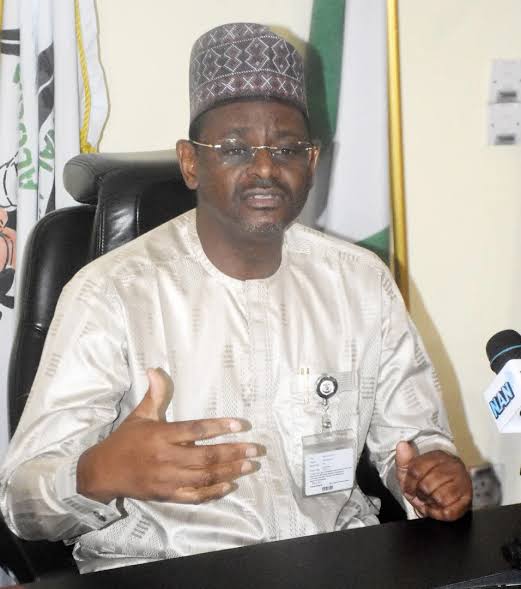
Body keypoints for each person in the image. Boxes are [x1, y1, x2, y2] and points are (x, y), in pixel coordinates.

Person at [0, 22, 472, 574]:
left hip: (334, 564)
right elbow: (21, 503)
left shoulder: (360, 283)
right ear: (190, 162)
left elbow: (412, 441)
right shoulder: (113, 292)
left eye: (287, 148)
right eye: (235, 148)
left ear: (311, 162)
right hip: (165, 571)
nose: (266, 167)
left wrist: (433, 471)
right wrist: (98, 473)